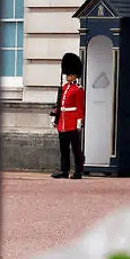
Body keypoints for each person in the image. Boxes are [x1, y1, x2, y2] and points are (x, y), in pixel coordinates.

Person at [51, 51, 85, 179]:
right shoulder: (64, 88)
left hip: (72, 122)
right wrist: (56, 118)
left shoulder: (78, 90)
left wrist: (79, 122)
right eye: (67, 74)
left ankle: (78, 171)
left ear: (75, 75)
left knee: (76, 149)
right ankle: (64, 170)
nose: (67, 76)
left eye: (70, 74)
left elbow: (80, 107)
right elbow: (59, 105)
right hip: (63, 123)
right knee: (63, 149)